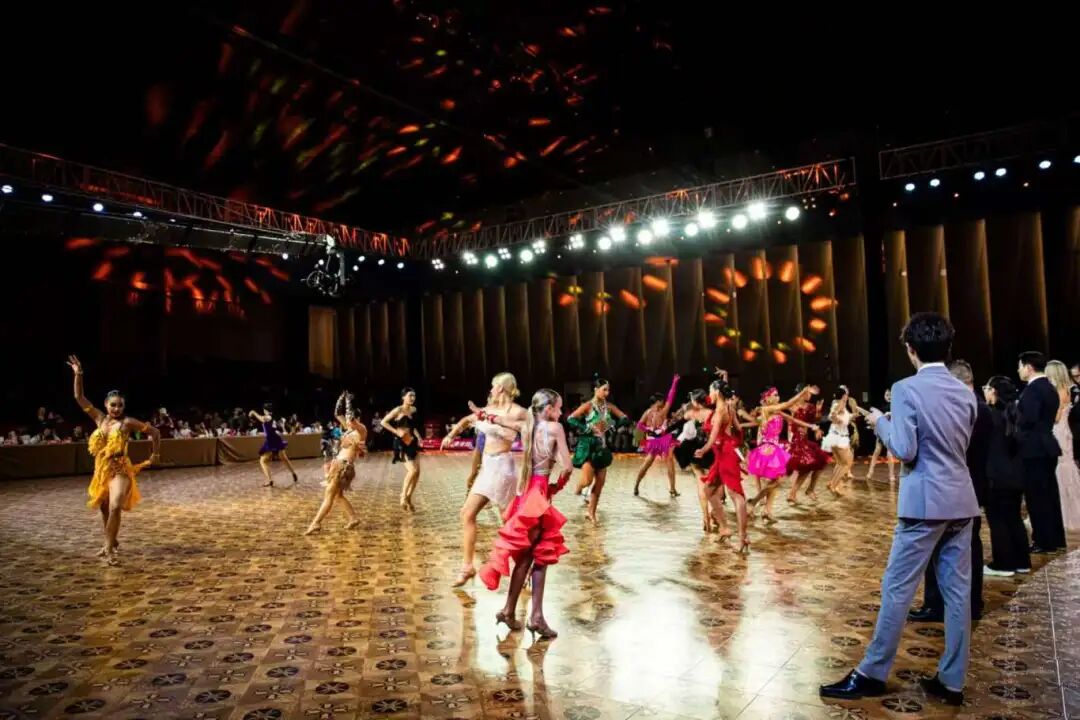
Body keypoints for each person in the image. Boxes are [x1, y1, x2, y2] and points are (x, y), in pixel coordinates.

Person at [821, 312, 978, 707]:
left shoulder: (906, 389)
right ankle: (952, 681)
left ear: (911, 350)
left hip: (924, 503)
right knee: (957, 594)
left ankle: (872, 673)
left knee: (897, 588)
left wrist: (880, 422)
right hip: (961, 500)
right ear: (948, 347)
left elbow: (906, 450)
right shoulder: (964, 392)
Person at [478, 388, 573, 640]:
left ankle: (512, 611)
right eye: (559, 408)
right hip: (540, 494)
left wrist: (486, 416)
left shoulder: (527, 427)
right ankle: (532, 616)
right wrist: (557, 486)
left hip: (526, 494)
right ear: (549, 409)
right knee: (539, 555)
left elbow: (502, 421)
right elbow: (568, 466)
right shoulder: (555, 428)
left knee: (530, 555)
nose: (561, 413)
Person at [908, 360, 991, 622]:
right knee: (969, 548)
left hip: (948, 487)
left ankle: (937, 605)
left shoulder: (960, 409)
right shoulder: (982, 408)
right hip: (973, 487)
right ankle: (971, 604)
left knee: (937, 546)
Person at [67, 355, 162, 566]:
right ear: (106, 405)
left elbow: (155, 433)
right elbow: (79, 397)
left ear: (124, 406)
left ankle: (109, 549)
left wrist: (155, 455)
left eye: (120, 405)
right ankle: (111, 541)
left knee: (115, 506)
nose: (116, 409)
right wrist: (78, 374)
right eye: (113, 405)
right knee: (104, 508)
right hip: (102, 469)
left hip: (121, 469)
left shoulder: (128, 423)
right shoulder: (99, 419)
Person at [442, 373, 527, 587]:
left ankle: (522, 569)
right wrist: (451, 435)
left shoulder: (518, 412)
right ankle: (468, 567)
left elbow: (529, 430)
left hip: (503, 468)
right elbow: (466, 421)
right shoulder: (488, 409)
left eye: (492, 386)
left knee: (508, 521)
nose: (490, 390)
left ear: (501, 388)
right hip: (488, 467)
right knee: (468, 514)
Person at [981, 376, 1032, 577]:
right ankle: (1022, 561)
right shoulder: (1016, 414)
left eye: (986, 388)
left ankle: (1003, 563)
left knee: (998, 520)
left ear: (993, 392)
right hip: (1017, 475)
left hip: (996, 476)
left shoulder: (991, 416)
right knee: (1014, 517)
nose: (984, 391)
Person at [1015, 351, 1065, 553]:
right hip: (1047, 445)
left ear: (1029, 367)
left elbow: (1029, 418)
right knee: (1050, 495)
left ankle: (1044, 541)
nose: (1018, 370)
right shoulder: (1049, 387)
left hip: (1033, 448)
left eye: (1020, 366)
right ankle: (1056, 538)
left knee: (1037, 497)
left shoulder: (1033, 389)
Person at [697, 381, 754, 552]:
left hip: (726, 455)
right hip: (723, 454)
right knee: (708, 491)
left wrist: (704, 449)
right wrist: (734, 443)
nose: (709, 394)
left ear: (717, 392)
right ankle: (724, 528)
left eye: (710, 390)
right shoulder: (728, 408)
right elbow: (739, 429)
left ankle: (743, 538)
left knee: (736, 495)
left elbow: (713, 435)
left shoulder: (722, 410)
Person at [745, 385, 815, 521]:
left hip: (775, 448)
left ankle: (767, 511)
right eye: (775, 395)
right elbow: (788, 403)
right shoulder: (766, 409)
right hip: (767, 449)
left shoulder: (777, 411)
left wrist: (811, 426)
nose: (778, 397)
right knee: (777, 480)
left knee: (775, 482)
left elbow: (793, 419)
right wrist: (802, 392)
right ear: (767, 398)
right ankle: (753, 502)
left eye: (778, 394)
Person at [568, 378, 630, 524]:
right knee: (587, 480)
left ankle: (591, 513)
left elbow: (624, 417)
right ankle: (579, 488)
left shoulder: (609, 407)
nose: (607, 393)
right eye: (604, 389)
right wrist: (585, 427)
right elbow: (571, 418)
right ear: (596, 389)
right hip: (588, 446)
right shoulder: (588, 406)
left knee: (600, 482)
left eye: (608, 390)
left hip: (602, 446)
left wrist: (614, 425)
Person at [305, 392, 367, 535]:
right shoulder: (349, 429)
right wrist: (341, 398)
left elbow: (351, 418)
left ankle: (316, 523)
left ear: (357, 419)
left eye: (350, 419)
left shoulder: (361, 430)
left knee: (329, 495)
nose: (347, 421)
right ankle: (353, 518)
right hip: (338, 465)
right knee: (337, 496)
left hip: (343, 467)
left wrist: (349, 401)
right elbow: (337, 414)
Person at [1045, 360, 1080, 531]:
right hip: (1064, 432)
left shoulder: (1059, 391)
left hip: (1058, 431)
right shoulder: (1066, 389)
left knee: (1060, 468)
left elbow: (1057, 417)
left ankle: (1065, 514)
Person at [633, 374, 680, 498]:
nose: (664, 402)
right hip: (661, 440)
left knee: (649, 463)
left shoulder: (647, 412)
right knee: (666, 463)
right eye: (662, 401)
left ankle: (637, 485)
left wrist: (647, 431)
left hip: (654, 440)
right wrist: (674, 382)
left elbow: (639, 425)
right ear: (658, 401)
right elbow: (671, 397)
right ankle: (672, 489)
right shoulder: (663, 411)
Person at [785, 385, 830, 502]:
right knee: (807, 467)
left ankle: (808, 489)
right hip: (796, 440)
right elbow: (792, 420)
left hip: (805, 439)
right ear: (802, 392)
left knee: (820, 461)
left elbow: (815, 420)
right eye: (808, 393)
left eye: (810, 393)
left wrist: (818, 410)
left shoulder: (810, 406)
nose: (810, 395)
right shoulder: (793, 405)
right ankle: (794, 493)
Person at [381, 388, 422, 511]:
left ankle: (409, 497)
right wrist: (396, 431)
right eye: (410, 395)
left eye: (414, 395)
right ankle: (403, 496)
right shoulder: (398, 410)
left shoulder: (414, 409)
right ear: (403, 397)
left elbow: (412, 427)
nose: (412, 398)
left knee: (417, 473)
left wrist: (419, 437)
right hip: (401, 442)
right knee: (412, 470)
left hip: (412, 441)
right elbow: (383, 422)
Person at [249, 403, 299, 487]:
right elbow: (271, 429)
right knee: (284, 459)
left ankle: (270, 480)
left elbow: (262, 419)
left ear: (265, 410)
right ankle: (293, 473)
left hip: (271, 440)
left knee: (263, 461)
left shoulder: (269, 417)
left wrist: (254, 412)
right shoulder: (272, 418)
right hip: (275, 439)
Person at [823, 387, 856, 496]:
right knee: (846, 464)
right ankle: (834, 485)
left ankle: (832, 483)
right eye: (846, 394)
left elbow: (836, 415)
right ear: (843, 395)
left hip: (835, 436)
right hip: (839, 438)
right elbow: (831, 416)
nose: (847, 396)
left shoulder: (836, 403)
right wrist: (837, 419)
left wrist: (851, 415)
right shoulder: (840, 404)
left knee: (841, 463)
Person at [864, 390, 897, 482]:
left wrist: (890, 414)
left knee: (889, 453)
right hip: (881, 432)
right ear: (884, 396)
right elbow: (877, 420)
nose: (888, 396)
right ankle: (870, 472)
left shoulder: (895, 405)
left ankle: (891, 475)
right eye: (887, 395)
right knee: (877, 451)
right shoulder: (882, 407)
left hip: (890, 432)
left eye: (890, 395)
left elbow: (898, 416)